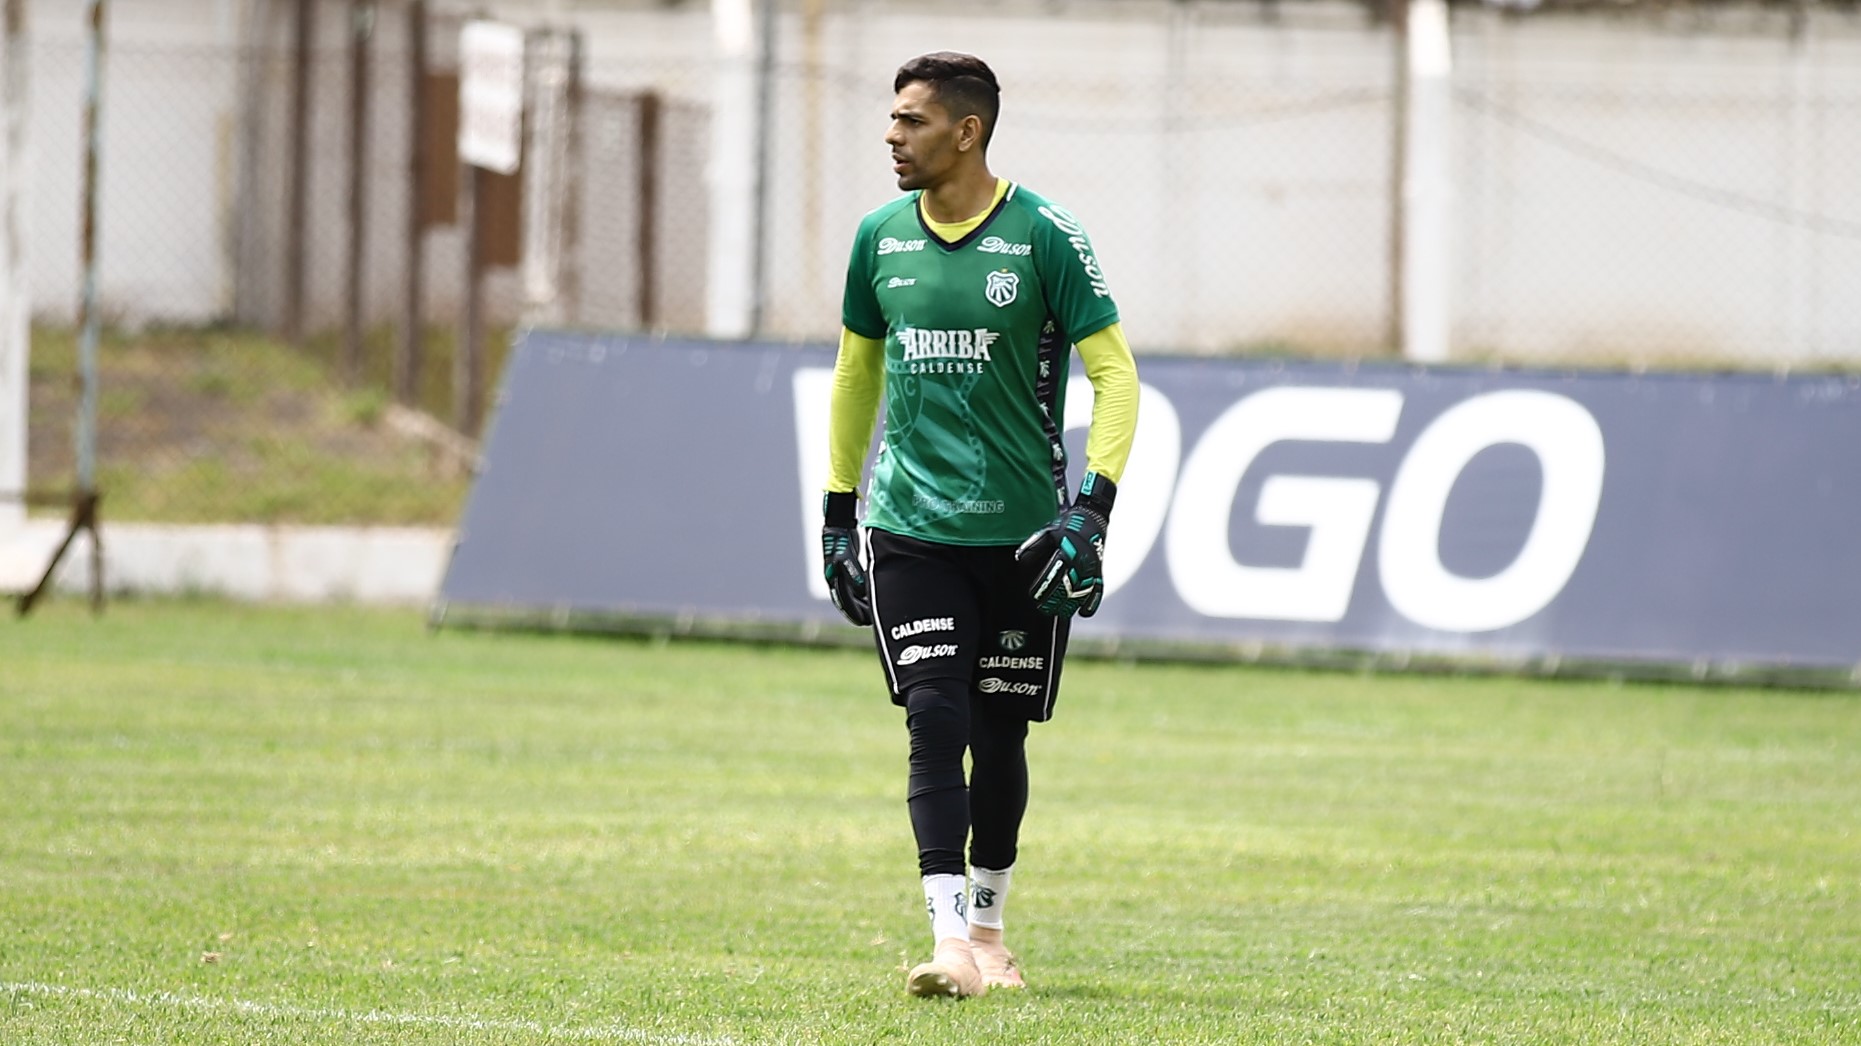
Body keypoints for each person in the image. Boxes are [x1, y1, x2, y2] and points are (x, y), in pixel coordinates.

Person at [818, 51, 1141, 1000]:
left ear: (967, 131)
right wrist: (840, 515)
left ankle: (992, 932)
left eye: (910, 121)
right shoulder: (878, 237)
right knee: (934, 718)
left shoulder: (1045, 237)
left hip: (1025, 540)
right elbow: (854, 375)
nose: (891, 136)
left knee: (1000, 736)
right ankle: (950, 941)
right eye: (891, 119)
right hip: (910, 527)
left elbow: (1115, 375)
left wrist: (1092, 512)